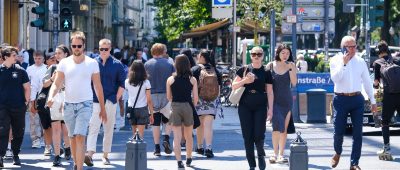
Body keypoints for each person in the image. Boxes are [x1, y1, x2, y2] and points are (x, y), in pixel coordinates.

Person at [47, 31, 107, 170]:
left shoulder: (92, 63)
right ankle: (76, 163)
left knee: (80, 136)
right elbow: (57, 83)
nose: (76, 48)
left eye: (79, 46)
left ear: (83, 45)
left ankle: (79, 168)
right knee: (72, 137)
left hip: (85, 104)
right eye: (74, 46)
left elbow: (98, 86)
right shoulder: (64, 63)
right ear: (71, 46)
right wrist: (51, 96)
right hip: (68, 105)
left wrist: (102, 108)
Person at [329, 36, 377, 170]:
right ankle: (337, 152)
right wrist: (343, 64)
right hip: (341, 99)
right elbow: (335, 79)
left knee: (358, 133)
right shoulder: (335, 60)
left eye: (354, 46)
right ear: (343, 48)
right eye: (350, 46)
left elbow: (367, 82)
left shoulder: (360, 61)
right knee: (338, 131)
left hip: (357, 99)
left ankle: (354, 163)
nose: (353, 49)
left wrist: (372, 101)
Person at [85, 39, 126, 166]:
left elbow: (122, 84)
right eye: (101, 49)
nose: (103, 51)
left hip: (110, 100)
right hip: (95, 100)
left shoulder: (117, 64)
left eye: (106, 49)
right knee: (93, 126)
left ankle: (105, 155)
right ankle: (90, 154)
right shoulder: (92, 63)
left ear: (110, 49)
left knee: (108, 129)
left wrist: (115, 99)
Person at [232, 46, 273, 170]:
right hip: (245, 106)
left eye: (259, 54)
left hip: (260, 105)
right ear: (251, 55)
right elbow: (234, 86)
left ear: (263, 56)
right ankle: (251, 164)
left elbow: (270, 92)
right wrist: (245, 81)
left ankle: (261, 156)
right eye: (254, 54)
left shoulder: (266, 71)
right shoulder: (244, 69)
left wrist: (270, 109)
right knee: (247, 135)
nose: (256, 56)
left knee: (259, 134)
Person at [266, 44, 297, 164]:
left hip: (287, 100)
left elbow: (294, 83)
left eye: (287, 53)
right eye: (283, 53)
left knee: (283, 129)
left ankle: (281, 154)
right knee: (276, 127)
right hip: (274, 100)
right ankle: (274, 153)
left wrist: (290, 69)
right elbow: (267, 86)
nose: (285, 55)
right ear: (278, 53)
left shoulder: (292, 65)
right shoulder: (270, 65)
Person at [0, 46, 31, 167]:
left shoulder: (20, 71)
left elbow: (27, 88)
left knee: (18, 131)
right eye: (13, 55)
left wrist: (26, 102)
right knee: (3, 130)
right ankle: (1, 156)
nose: (16, 57)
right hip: (2, 107)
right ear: (6, 57)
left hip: (18, 107)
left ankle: (15, 154)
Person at [166, 54, 198, 168]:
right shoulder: (192, 79)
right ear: (188, 65)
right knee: (189, 136)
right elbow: (196, 98)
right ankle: (189, 158)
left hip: (175, 106)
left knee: (177, 137)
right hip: (188, 106)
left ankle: (179, 161)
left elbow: (169, 97)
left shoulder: (170, 79)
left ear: (176, 65)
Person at [42, 45, 72, 166]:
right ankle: (57, 155)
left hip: (68, 98)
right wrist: (52, 79)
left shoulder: (71, 67)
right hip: (54, 99)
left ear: (66, 54)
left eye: (59, 53)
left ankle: (68, 147)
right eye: (56, 53)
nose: (56, 55)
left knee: (65, 130)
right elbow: (44, 84)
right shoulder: (53, 67)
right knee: (55, 128)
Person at [144, 43, 175, 156]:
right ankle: (166, 137)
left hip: (151, 95)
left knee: (155, 122)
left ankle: (157, 148)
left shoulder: (147, 64)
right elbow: (173, 79)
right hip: (167, 95)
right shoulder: (169, 64)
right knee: (169, 119)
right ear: (163, 52)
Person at [191, 49, 222, 158]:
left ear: (202, 57)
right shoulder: (216, 70)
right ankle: (208, 148)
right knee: (208, 125)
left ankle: (199, 147)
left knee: (199, 125)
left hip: (199, 99)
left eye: (199, 55)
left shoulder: (195, 69)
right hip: (212, 100)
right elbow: (219, 88)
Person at [372, 40, 400, 159]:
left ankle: (387, 148)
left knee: (385, 122)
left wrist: (375, 86)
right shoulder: (397, 60)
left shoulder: (377, 63)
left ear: (378, 51)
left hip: (389, 96)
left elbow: (376, 83)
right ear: (387, 50)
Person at [26, 51, 49, 153]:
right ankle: (35, 139)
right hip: (33, 97)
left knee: (43, 119)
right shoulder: (29, 69)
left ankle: (45, 139)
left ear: (43, 59)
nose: (37, 60)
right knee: (33, 119)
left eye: (39, 58)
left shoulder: (46, 68)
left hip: (44, 97)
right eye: (36, 58)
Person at [126, 61, 154, 138]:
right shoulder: (146, 82)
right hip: (142, 109)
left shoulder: (127, 82)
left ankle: (134, 149)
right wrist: (151, 114)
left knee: (134, 134)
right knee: (140, 136)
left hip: (131, 108)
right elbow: (149, 100)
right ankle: (140, 150)